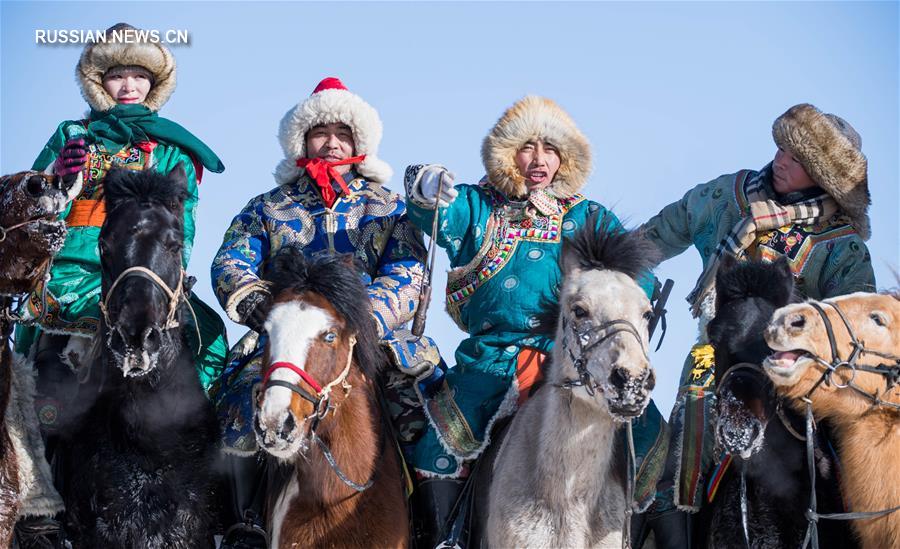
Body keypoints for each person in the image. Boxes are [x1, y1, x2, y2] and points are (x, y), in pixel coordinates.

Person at [404, 96, 669, 547]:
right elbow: (437, 215)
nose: (540, 160)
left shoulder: (588, 216)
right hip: (494, 358)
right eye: (528, 148)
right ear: (509, 155)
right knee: (439, 443)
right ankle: (446, 536)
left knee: (652, 439)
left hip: (578, 352)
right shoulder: (477, 205)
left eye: (551, 149)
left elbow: (633, 277)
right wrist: (426, 185)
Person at [12, 22, 227, 546]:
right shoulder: (72, 136)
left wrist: (167, 282)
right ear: (97, 82)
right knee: (44, 383)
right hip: (71, 280)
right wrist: (57, 182)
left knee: (211, 339)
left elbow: (185, 223)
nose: (128, 85)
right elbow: (32, 215)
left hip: (147, 282)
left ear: (154, 85)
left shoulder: (175, 149)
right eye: (117, 75)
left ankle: (219, 483)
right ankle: (39, 499)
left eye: (138, 76)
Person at [637, 103, 875, 546]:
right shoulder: (721, 197)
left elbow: (851, 330)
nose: (781, 161)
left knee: (845, 470)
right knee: (668, 469)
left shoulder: (842, 249)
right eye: (781, 148)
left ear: (825, 178)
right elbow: (646, 244)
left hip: (797, 375)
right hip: (716, 363)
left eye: (798, 159)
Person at [209, 76, 427, 548]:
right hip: (285, 340)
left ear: (359, 142)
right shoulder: (267, 208)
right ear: (302, 141)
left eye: (342, 134)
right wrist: (274, 315)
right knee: (234, 406)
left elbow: (409, 272)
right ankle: (243, 522)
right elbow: (230, 262)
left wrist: (362, 321)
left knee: (430, 407)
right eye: (320, 133)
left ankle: (436, 526)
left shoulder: (389, 208)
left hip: (372, 337)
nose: (331, 143)